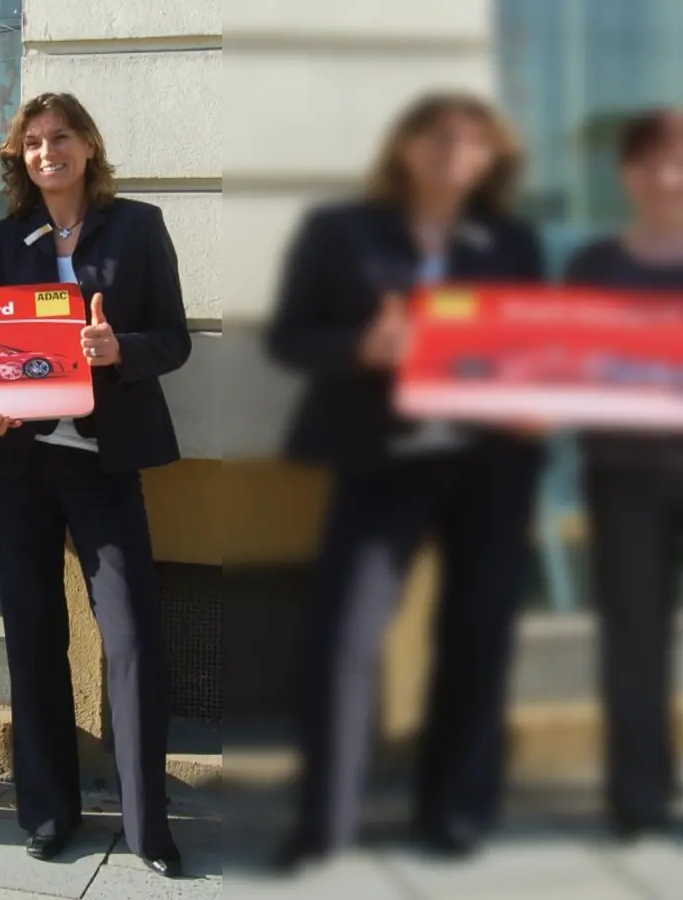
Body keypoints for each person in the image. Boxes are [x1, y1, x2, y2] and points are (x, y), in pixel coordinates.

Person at [266, 92, 546, 868]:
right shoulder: (340, 231)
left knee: (479, 637)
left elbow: (536, 347)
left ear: (492, 157)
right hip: (380, 460)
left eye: (474, 140)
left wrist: (540, 402)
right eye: (439, 136)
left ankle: (453, 811)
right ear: (405, 146)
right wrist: (363, 347)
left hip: (491, 463)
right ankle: (324, 821)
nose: (456, 151)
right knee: (343, 638)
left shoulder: (511, 240)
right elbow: (290, 338)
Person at [0, 92, 190, 877]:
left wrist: (117, 350)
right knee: (34, 639)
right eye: (32, 143)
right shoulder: (7, 237)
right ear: (20, 159)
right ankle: (48, 811)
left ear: (88, 146)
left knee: (132, 640)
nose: (47, 152)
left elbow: (174, 339)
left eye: (60, 137)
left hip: (106, 462)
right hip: (22, 463)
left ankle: (147, 826)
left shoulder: (138, 226)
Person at [564, 109, 683, 842]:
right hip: (624, 477)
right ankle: (639, 799)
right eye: (650, 162)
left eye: (678, 161)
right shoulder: (593, 266)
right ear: (626, 175)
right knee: (634, 642)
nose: (666, 177)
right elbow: (563, 363)